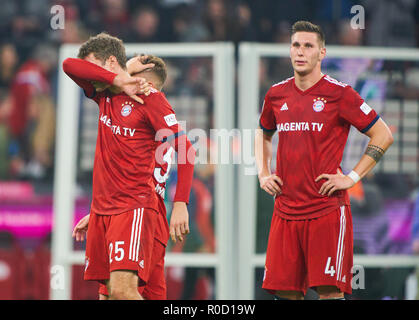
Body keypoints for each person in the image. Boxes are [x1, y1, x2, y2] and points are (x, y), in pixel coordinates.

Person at [255, 21, 394, 300]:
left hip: (326, 211)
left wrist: (351, 177)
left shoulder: (339, 94)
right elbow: (263, 133)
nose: (301, 52)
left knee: (329, 295)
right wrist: (263, 173)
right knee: (285, 294)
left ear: (322, 53)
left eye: (308, 46)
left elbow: (383, 134)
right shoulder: (276, 94)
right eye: (296, 45)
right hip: (285, 211)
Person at [63, 33, 196, 300]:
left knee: (123, 293)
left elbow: (187, 150)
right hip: (105, 210)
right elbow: (68, 65)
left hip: (134, 208)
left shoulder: (148, 97)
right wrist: (120, 78)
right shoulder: (102, 95)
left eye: (95, 67)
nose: (91, 76)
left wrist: (180, 203)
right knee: (110, 296)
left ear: (111, 62)